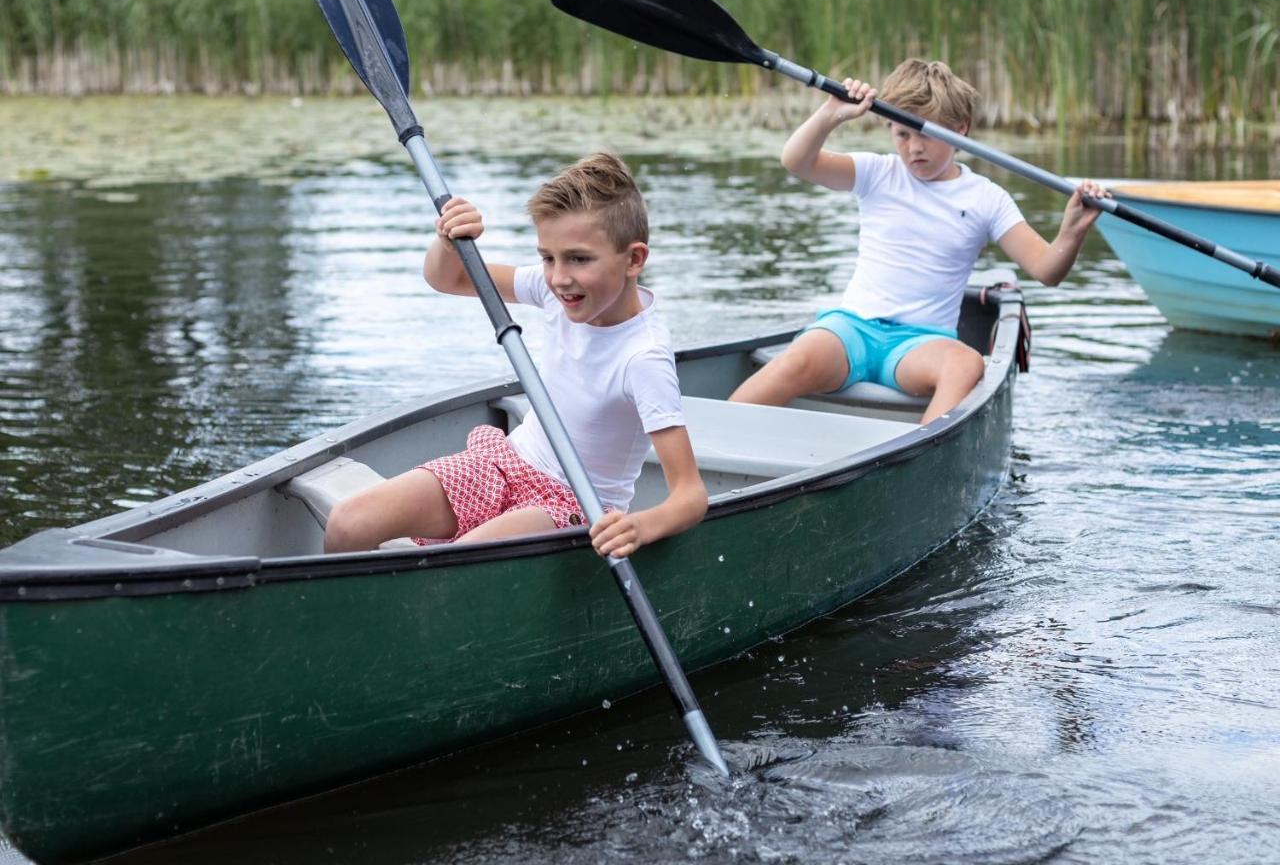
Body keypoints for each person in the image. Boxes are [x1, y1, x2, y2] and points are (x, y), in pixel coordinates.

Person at [324, 153, 707, 558]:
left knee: (452, 565)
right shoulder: (556, 291)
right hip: (506, 463)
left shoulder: (643, 357)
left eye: (579, 259)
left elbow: (689, 495)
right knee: (349, 524)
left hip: (573, 503)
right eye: (547, 257)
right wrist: (447, 242)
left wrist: (638, 527)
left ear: (634, 259)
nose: (560, 277)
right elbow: (447, 278)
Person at [730, 58, 1110, 423]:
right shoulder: (877, 172)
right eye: (902, 134)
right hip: (852, 329)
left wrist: (1072, 230)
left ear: (960, 129)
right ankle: (704, 450)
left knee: (966, 363)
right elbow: (797, 161)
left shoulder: (985, 198)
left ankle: (916, 463)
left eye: (926, 134)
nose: (914, 148)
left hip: (919, 345)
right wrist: (831, 114)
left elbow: (1047, 270)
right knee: (796, 359)